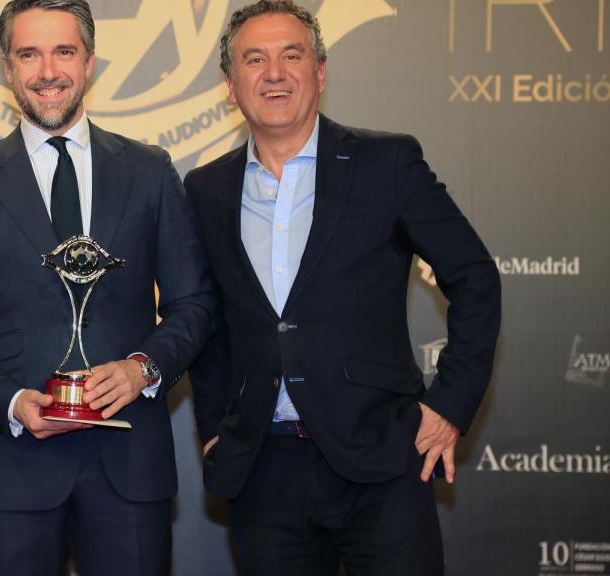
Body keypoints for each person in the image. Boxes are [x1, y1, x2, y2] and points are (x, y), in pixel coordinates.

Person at [185, 1, 502, 574]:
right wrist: (214, 429)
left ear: (321, 72)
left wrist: (450, 404)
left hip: (382, 461)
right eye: (254, 60)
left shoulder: (387, 162)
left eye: (292, 55)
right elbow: (206, 320)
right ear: (231, 85)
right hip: (262, 468)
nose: (274, 73)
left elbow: (475, 277)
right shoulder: (205, 190)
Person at [0, 1, 215, 574]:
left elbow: (194, 305)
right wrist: (11, 402)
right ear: (7, 68)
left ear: (89, 62)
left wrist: (143, 369)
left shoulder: (151, 171)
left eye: (64, 51)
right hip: (11, 462)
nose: (47, 70)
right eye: (28, 53)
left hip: (130, 459)